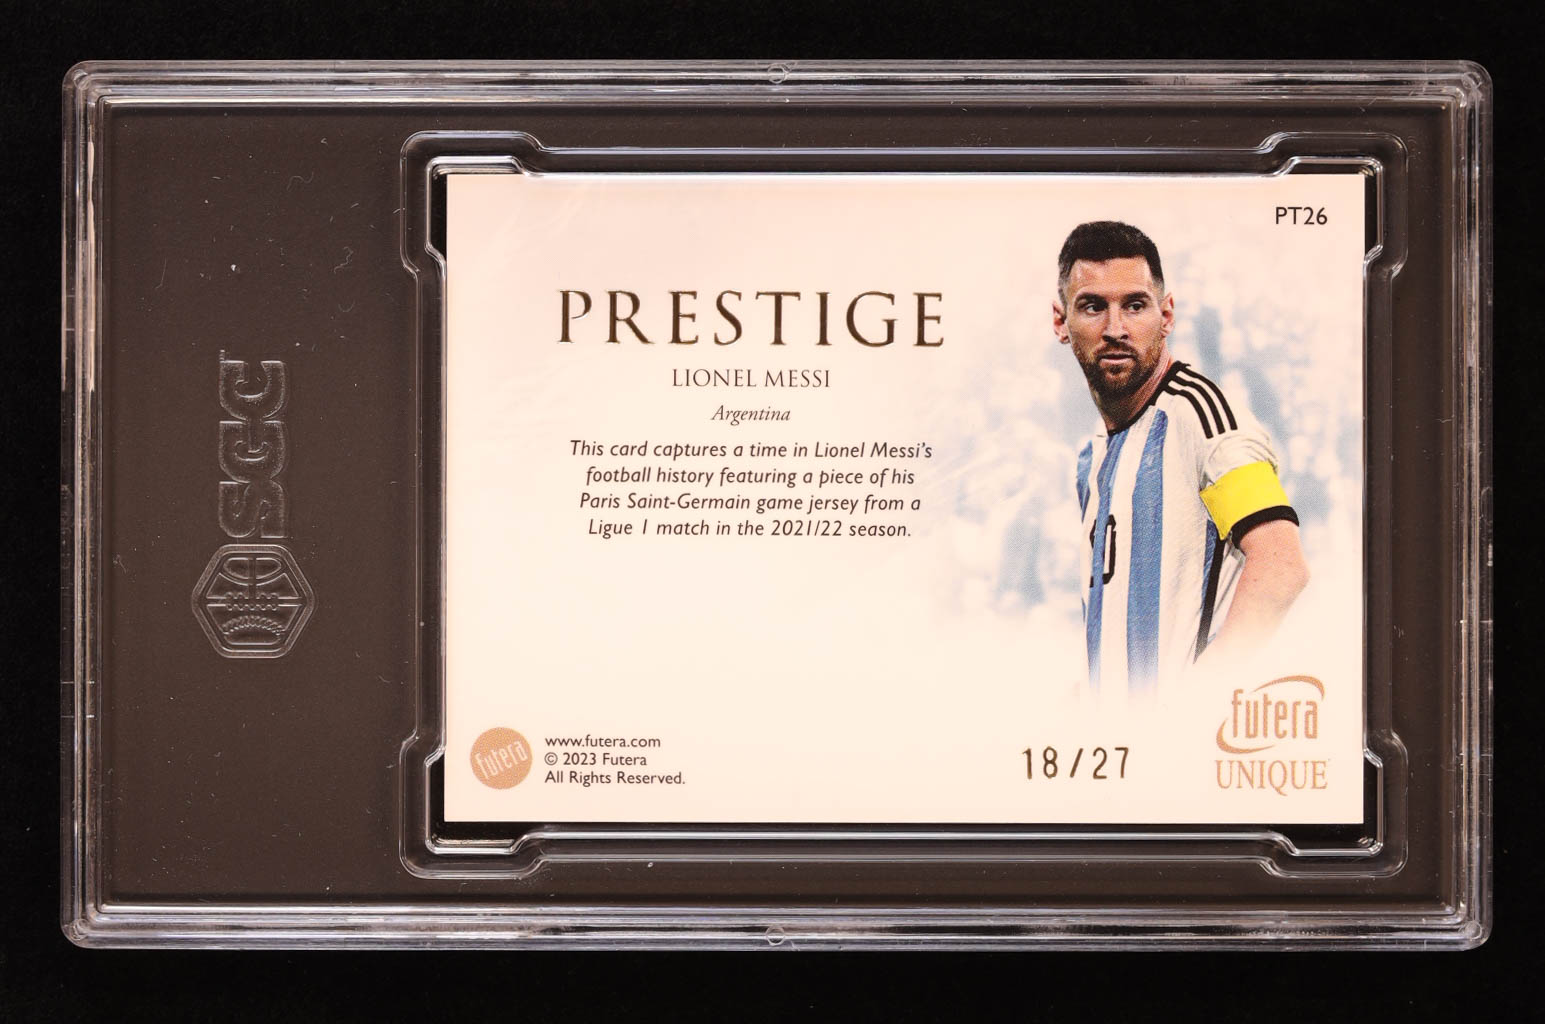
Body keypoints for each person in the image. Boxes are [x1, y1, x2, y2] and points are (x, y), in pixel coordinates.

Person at [1053, 221, 1309, 695]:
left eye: (1135, 305)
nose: (1115, 329)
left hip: (1179, 734)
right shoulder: (1091, 456)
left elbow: (1281, 566)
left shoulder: (1205, 419)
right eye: (1093, 306)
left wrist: (1196, 705)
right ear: (1060, 322)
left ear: (1166, 314)